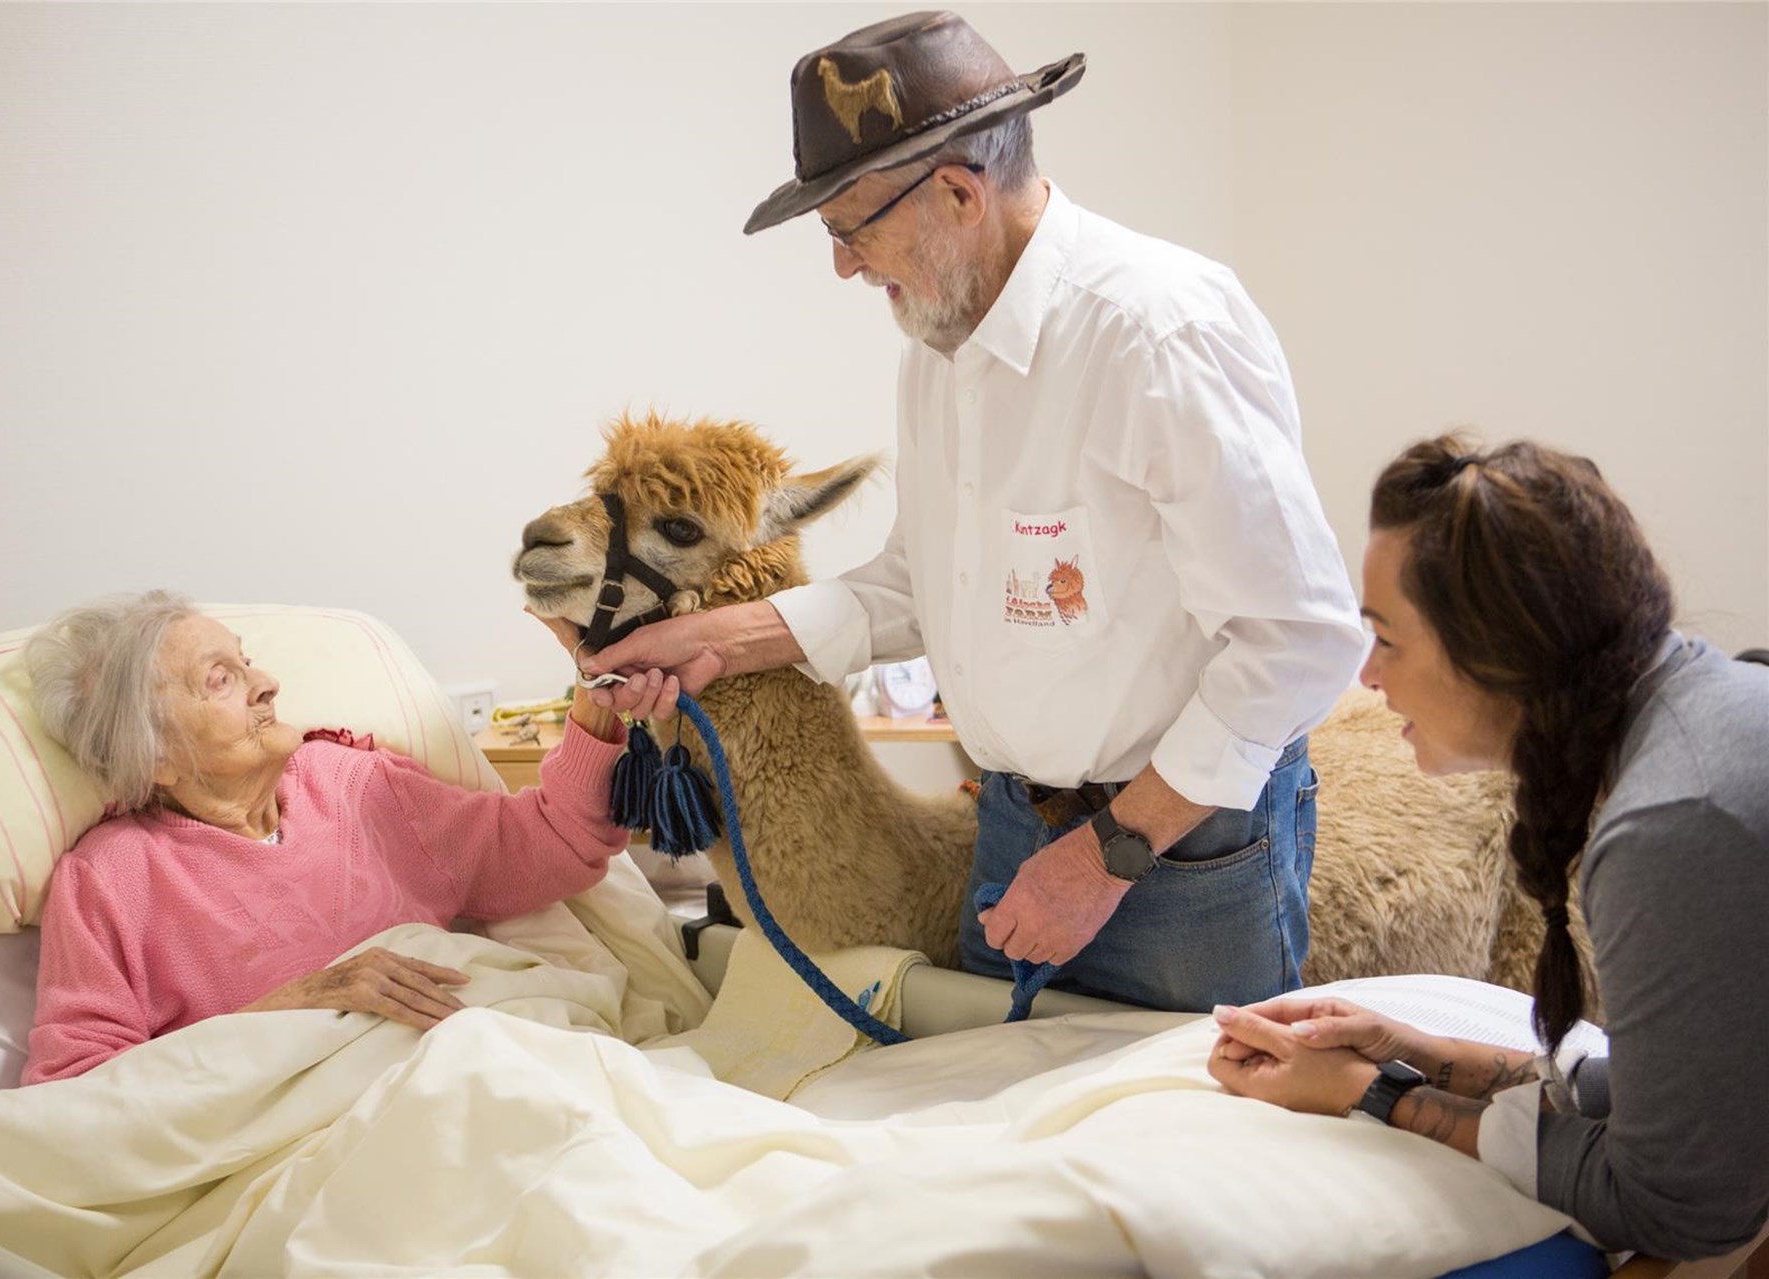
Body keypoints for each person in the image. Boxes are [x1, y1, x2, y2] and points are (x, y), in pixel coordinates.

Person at [582, 11, 1363, 1010]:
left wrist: (1109, 854)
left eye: (850, 228)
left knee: (1180, 1102)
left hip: (1179, 846)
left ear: (957, 193)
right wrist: (716, 642)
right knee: (998, 1098)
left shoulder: (1158, 335)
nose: (844, 266)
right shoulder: (937, 354)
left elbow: (1298, 639)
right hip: (1011, 828)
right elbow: (917, 586)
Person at [1207, 436, 1769, 1262]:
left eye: (1386, 638)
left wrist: (1375, 1094)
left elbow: (1676, 1207)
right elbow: (1690, 1084)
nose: (1368, 675)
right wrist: (1423, 1055)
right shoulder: (1710, 718)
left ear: (1498, 649)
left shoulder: (1671, 825)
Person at [19, 591, 678, 1084]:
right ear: (153, 755)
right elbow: (78, 1096)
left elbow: (547, 846)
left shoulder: (351, 783)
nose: (267, 684)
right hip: (312, 1147)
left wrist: (594, 691)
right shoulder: (110, 878)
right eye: (221, 678)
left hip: (468, 1076)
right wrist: (296, 1004)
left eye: (246, 661)